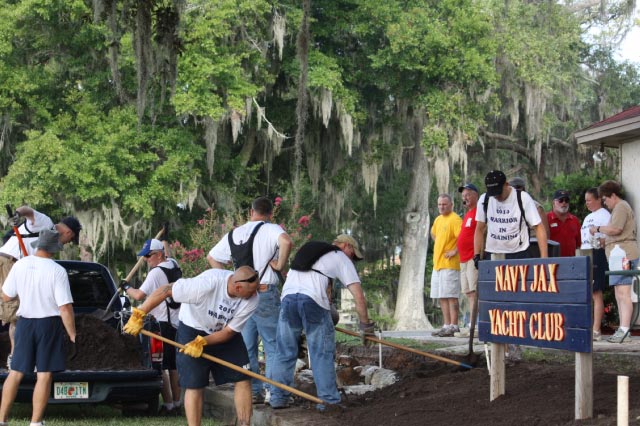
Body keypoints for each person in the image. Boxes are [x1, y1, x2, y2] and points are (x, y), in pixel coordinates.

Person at [123, 265, 260, 426]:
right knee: (194, 383)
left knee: (242, 376)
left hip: (223, 333)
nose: (255, 294)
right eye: (251, 291)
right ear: (237, 287)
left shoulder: (253, 298)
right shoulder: (207, 283)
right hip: (191, 329)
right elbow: (166, 289)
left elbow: (229, 332)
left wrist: (203, 342)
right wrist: (140, 314)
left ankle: (245, 424)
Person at [269, 234, 374, 411]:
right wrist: (366, 326)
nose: (352, 259)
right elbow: (359, 296)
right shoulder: (340, 256)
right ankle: (328, 401)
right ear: (346, 246)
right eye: (353, 254)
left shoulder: (311, 248)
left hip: (287, 299)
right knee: (321, 353)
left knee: (284, 350)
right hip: (312, 302)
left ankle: (278, 398)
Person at [207, 196, 292, 404]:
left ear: (250, 212)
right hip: (264, 293)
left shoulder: (235, 233)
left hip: (241, 298)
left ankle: (253, 392)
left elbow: (212, 257)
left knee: (247, 347)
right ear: (270, 214)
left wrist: (230, 281)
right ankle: (276, 395)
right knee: (273, 345)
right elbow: (287, 241)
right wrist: (280, 265)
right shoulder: (270, 229)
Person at [0, 229, 76, 426]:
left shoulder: (20, 265)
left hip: (24, 322)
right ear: (54, 249)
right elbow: (65, 308)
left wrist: (26, 291)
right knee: (44, 374)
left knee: (15, 372)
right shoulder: (57, 270)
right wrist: (72, 333)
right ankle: (35, 423)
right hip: (48, 324)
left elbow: (6, 295)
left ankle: (2, 420)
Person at [0, 207, 81, 369]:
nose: (66, 243)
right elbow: (28, 210)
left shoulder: (42, 252)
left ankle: (18, 357)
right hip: (9, 261)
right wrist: (17, 214)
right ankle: (16, 358)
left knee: (16, 314)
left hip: (13, 262)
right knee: (16, 313)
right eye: (70, 240)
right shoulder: (46, 223)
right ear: (69, 233)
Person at [123, 238, 182, 415]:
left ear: (158, 255)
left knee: (160, 365)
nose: (147, 260)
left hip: (161, 323)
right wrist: (165, 243)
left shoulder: (156, 273)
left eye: (149, 256)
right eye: (145, 257)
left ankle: (169, 405)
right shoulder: (174, 265)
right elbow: (168, 255)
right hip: (176, 322)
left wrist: (126, 287)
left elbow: (140, 295)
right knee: (173, 366)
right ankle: (178, 404)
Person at [589, 180, 639, 343]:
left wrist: (598, 229)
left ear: (613, 195)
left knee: (623, 293)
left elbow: (616, 229)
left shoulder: (621, 207)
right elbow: (615, 233)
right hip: (618, 256)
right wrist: (604, 241)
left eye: (605, 199)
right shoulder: (619, 208)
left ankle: (624, 329)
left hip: (624, 255)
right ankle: (623, 330)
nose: (604, 202)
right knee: (619, 293)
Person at [474, 170, 548, 261]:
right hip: (494, 253)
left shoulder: (523, 198)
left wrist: (544, 258)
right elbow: (479, 228)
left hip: (519, 253)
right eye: (493, 194)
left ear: (506, 184)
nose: (496, 197)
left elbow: (538, 227)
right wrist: (476, 254)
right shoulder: (484, 200)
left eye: (499, 193)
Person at [580, 187, 610, 341]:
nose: (587, 203)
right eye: (585, 201)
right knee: (588, 293)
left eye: (590, 200)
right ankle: (588, 326)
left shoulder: (605, 215)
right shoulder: (587, 217)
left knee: (596, 292)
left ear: (599, 199)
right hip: (585, 253)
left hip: (597, 253)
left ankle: (596, 329)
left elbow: (608, 237)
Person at [430, 194, 462, 337]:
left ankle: (454, 325)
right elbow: (434, 234)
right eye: (439, 204)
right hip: (437, 264)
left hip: (450, 264)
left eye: (444, 204)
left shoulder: (455, 219)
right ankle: (446, 325)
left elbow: (462, 238)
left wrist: (454, 250)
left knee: (451, 296)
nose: (441, 207)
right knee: (441, 296)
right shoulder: (438, 219)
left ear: (451, 204)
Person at [455, 183, 479, 337]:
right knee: (469, 292)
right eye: (463, 196)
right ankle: (472, 323)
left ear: (476, 195)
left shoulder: (479, 212)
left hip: (472, 257)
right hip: (463, 259)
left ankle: (478, 324)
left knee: (476, 292)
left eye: (468, 194)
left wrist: (478, 254)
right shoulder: (468, 214)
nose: (465, 198)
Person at [547, 189, 581, 257]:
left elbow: (579, 244)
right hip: (553, 263)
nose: (564, 203)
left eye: (566, 200)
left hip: (572, 262)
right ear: (553, 202)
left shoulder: (575, 220)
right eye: (561, 200)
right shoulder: (546, 219)